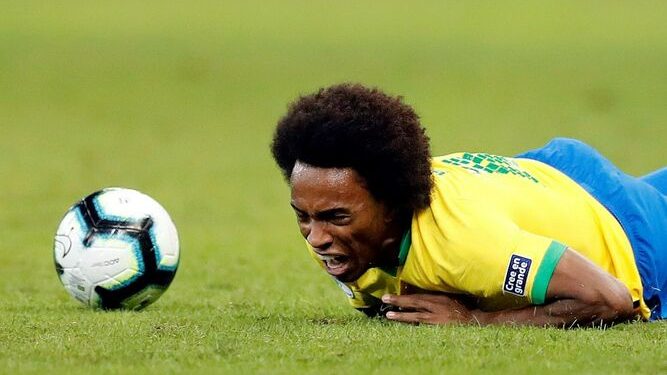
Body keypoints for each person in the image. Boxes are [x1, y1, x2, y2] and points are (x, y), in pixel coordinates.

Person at [270, 83, 667, 327]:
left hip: (630, 229)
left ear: (393, 204)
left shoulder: (467, 244)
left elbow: (608, 299)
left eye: (336, 217)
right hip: (544, 179)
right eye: (302, 216)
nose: (316, 237)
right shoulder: (335, 227)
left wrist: (476, 319)